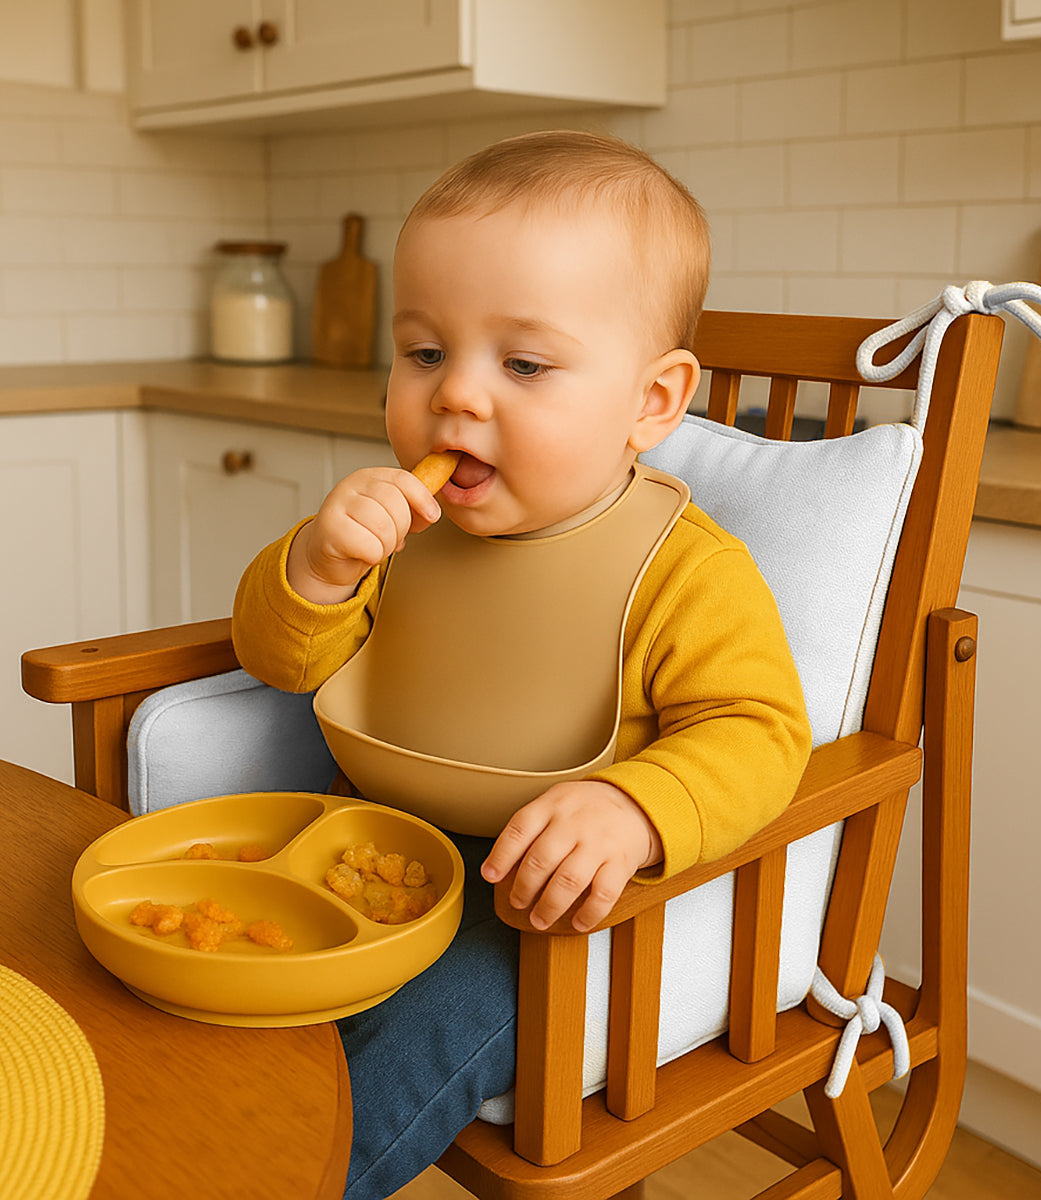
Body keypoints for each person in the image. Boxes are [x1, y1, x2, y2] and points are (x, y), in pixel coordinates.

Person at [232, 129, 811, 1199]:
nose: (456, 397)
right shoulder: (400, 529)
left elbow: (759, 732)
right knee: (228, 994)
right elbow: (279, 661)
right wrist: (314, 567)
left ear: (653, 401)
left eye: (525, 364)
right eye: (424, 354)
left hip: (533, 907)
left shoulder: (684, 572)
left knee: (408, 1049)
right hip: (362, 842)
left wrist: (636, 809)